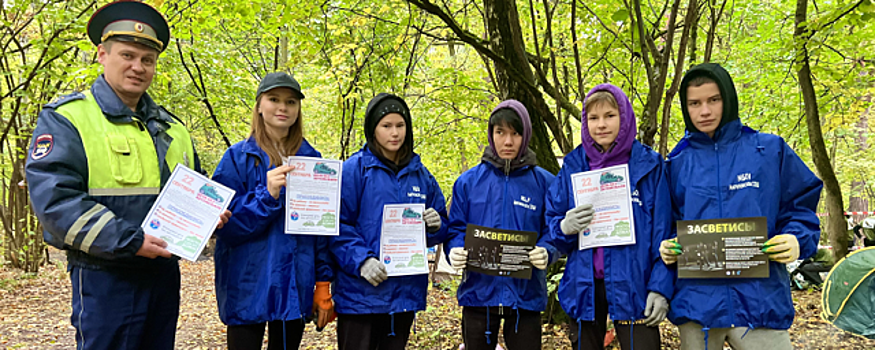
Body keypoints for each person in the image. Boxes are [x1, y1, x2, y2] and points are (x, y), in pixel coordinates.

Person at [25, 2, 230, 349]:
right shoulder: (68, 118)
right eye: (127, 55)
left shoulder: (174, 128)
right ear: (102, 55)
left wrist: (210, 216)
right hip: (105, 276)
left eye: (147, 60)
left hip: (163, 275)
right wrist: (130, 241)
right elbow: (56, 202)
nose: (138, 67)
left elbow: (196, 188)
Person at [658, 63, 823, 350]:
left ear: (728, 98)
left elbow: (801, 205)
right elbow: (666, 222)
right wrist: (667, 246)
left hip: (761, 301)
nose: (704, 111)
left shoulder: (769, 150)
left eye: (714, 100)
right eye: (695, 103)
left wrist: (797, 238)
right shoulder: (676, 163)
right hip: (698, 304)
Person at [544, 84, 673, 350]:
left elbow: (664, 232)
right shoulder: (573, 165)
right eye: (593, 118)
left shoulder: (649, 165)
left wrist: (660, 287)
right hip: (584, 287)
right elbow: (553, 222)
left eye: (610, 116)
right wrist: (564, 227)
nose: (601, 125)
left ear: (624, 117)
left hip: (635, 286)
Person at [211, 72, 335, 349]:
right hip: (246, 282)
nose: (283, 107)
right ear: (259, 105)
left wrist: (323, 283)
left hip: (294, 283)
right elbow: (226, 227)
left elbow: (320, 231)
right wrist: (266, 196)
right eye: (274, 99)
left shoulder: (313, 162)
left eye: (291, 102)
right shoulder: (236, 158)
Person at [331, 93, 451, 350]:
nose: (394, 133)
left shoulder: (421, 175)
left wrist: (436, 226)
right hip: (360, 295)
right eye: (386, 126)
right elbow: (336, 224)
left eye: (400, 125)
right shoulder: (355, 170)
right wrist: (361, 261)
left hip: (403, 296)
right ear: (373, 129)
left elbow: (442, 225)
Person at [445, 100, 556, 350]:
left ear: (526, 135)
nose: (508, 141)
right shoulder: (468, 182)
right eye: (500, 132)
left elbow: (554, 230)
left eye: (515, 133)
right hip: (478, 294)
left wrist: (548, 250)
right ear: (491, 134)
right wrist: (455, 249)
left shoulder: (545, 183)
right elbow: (455, 228)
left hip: (526, 296)